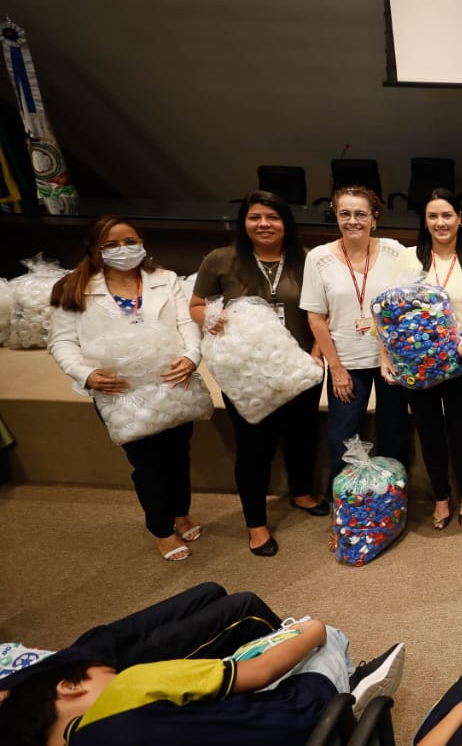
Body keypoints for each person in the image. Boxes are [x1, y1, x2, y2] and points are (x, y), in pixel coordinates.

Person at [0, 610, 405, 746]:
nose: (114, 673)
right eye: (105, 671)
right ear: (70, 686)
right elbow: (260, 671)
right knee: (313, 636)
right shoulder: (132, 685)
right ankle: (351, 683)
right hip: (296, 721)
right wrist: (313, 629)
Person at [47, 216, 204, 562]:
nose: (124, 249)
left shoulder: (165, 280)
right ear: (94, 248)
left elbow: (185, 324)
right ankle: (161, 528)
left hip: (171, 382)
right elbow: (61, 341)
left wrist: (191, 357)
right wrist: (86, 374)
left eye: (130, 241)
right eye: (112, 244)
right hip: (120, 391)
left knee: (178, 455)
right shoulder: (72, 287)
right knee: (147, 463)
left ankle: (181, 510)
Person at [189, 191, 328, 557]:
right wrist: (213, 319)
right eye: (255, 217)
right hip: (249, 375)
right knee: (254, 448)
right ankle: (256, 523)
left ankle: (300, 492)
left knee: (302, 437)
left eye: (273, 217)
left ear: (286, 223)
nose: (264, 224)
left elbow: (323, 310)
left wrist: (317, 351)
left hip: (301, 368)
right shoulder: (221, 260)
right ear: (244, 222)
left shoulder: (308, 260)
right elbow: (196, 305)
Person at [390, 188, 462, 530]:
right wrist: (387, 356)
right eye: (433, 216)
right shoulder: (407, 258)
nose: (440, 222)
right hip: (417, 367)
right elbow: (392, 313)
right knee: (429, 432)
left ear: (459, 219)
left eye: (447, 215)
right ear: (425, 220)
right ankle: (441, 497)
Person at [300, 186, 410, 487]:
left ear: (374, 218)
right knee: (342, 438)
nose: (352, 221)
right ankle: (346, 506)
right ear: (335, 217)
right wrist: (335, 368)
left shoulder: (395, 251)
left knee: (395, 432)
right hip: (346, 360)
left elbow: (409, 303)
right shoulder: (319, 258)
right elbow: (315, 317)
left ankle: (392, 501)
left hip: (392, 359)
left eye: (360, 214)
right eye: (344, 214)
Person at [0, 583, 280, 698]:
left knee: (211, 591)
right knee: (245, 608)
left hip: (82, 652)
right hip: (88, 681)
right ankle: (293, 659)